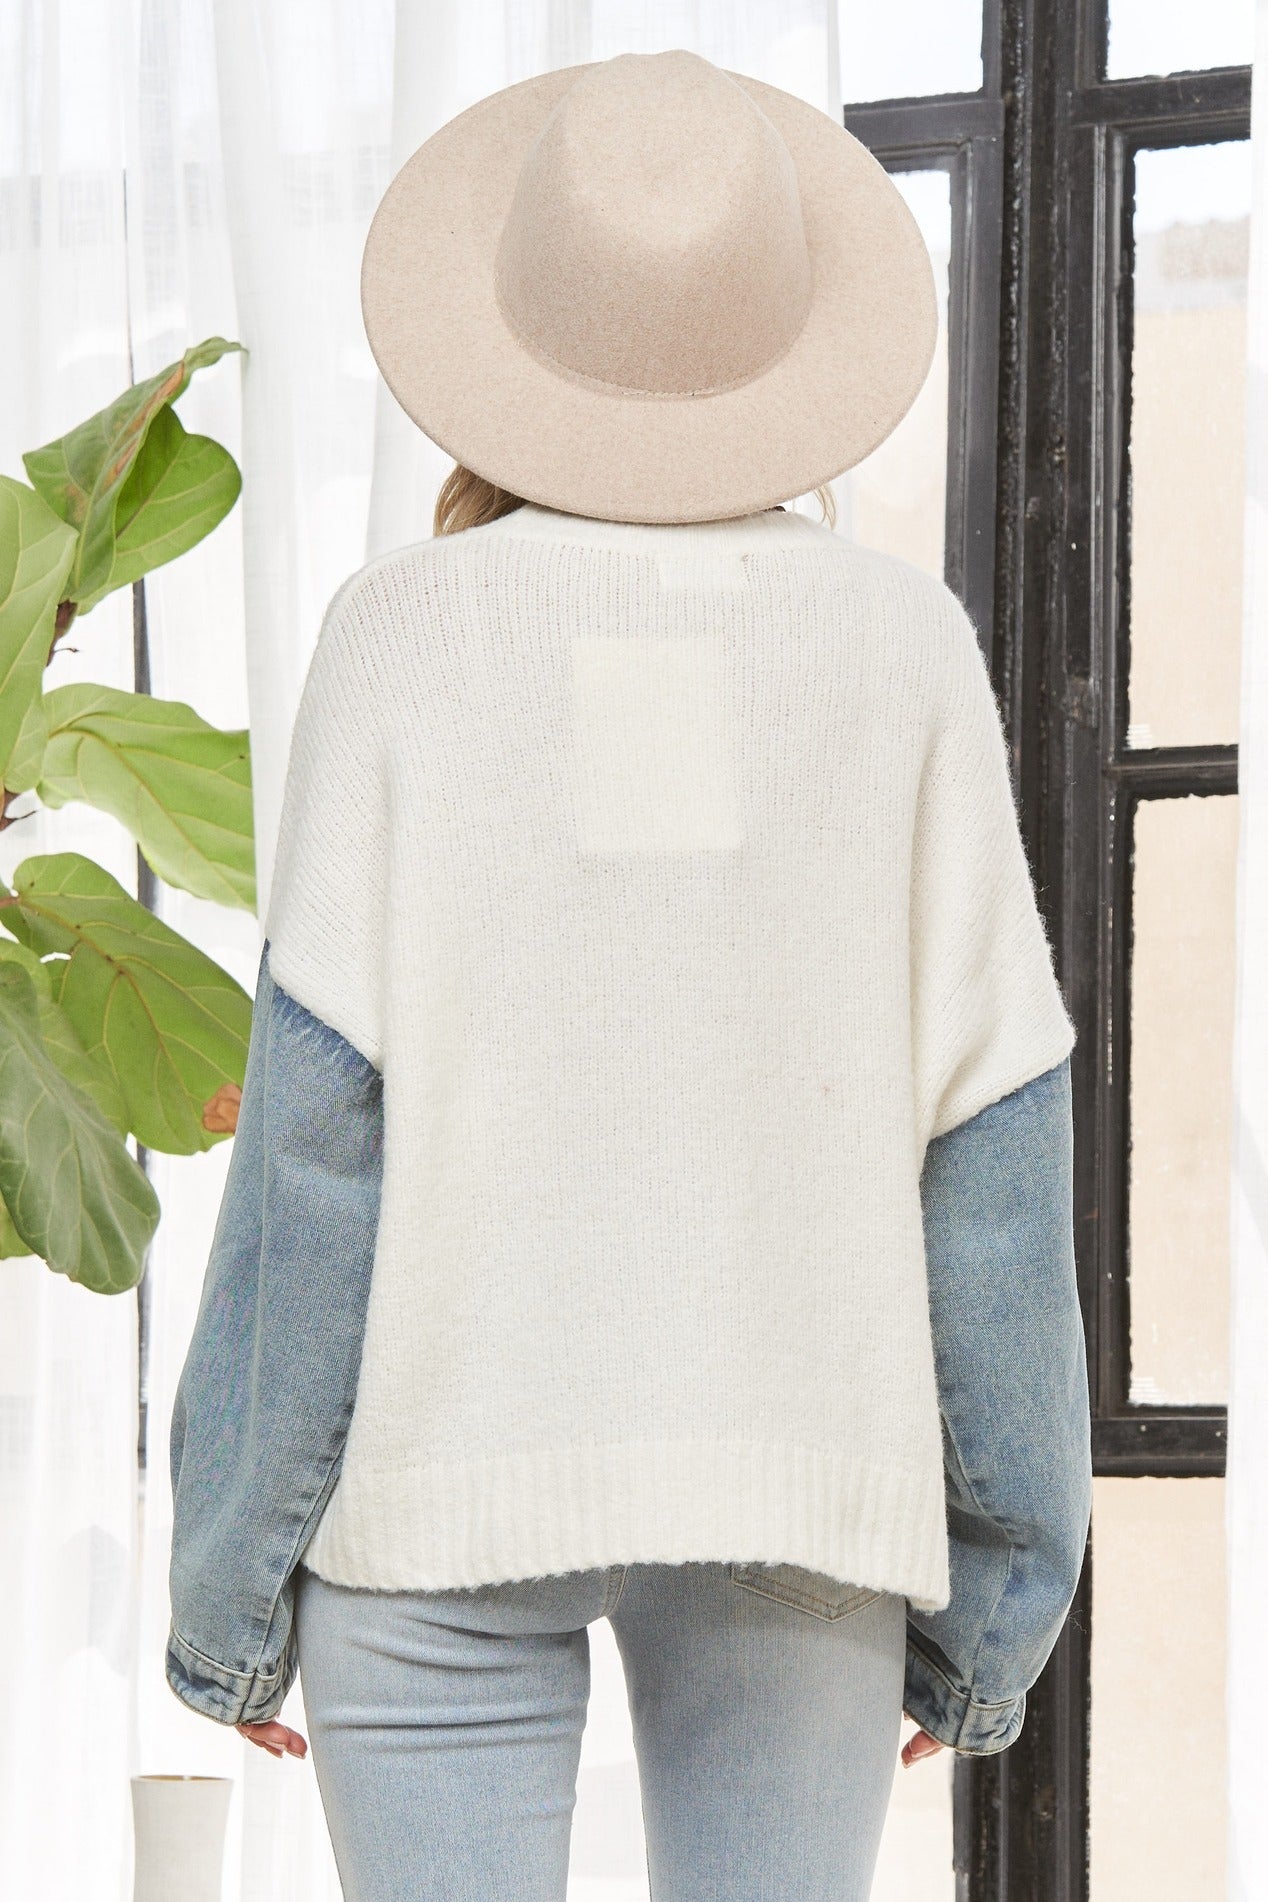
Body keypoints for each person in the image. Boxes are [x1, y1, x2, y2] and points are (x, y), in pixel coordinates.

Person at [166, 48, 1091, 1902]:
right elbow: (993, 1145)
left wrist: (232, 1583)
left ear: (510, 334)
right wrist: (998, 1592)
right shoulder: (902, 650)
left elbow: (317, 1148)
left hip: (439, 1486)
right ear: (785, 346)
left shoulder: (400, 639)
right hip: (797, 1490)